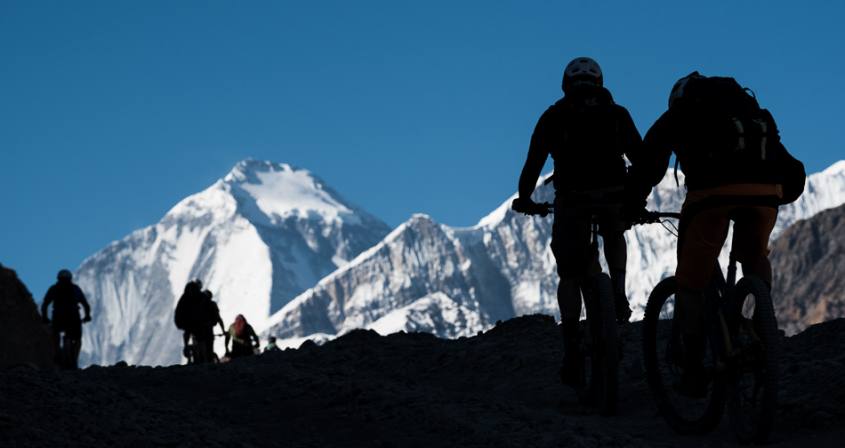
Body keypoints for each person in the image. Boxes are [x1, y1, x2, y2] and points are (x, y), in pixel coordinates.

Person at [629, 72, 805, 396]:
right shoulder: (752, 114)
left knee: (690, 284)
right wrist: (775, 194)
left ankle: (693, 368)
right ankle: (761, 328)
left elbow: (648, 166)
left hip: (711, 198)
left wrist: (632, 202)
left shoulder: (680, 113)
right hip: (766, 195)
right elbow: (792, 168)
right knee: (754, 257)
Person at [511, 57, 645, 386]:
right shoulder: (617, 113)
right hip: (614, 195)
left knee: (570, 272)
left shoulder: (554, 115)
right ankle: (618, 291)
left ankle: (572, 346)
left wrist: (525, 198)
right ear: (600, 82)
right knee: (615, 232)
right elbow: (642, 159)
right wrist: (636, 201)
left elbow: (533, 162)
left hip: (572, 199)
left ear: (565, 84)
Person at [41, 269, 92, 369]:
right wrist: (87, 316)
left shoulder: (54, 289)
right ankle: (74, 359)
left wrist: (45, 318)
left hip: (58, 317)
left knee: (55, 334)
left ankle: (57, 353)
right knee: (77, 338)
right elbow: (85, 305)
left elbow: (45, 304)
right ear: (70, 279)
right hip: (74, 317)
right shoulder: (75, 289)